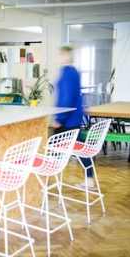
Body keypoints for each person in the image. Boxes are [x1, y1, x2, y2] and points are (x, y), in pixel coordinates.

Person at [52, 44, 95, 190]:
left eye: (60, 54)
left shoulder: (66, 72)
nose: (58, 57)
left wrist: (59, 119)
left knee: (53, 149)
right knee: (81, 149)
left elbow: (66, 97)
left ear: (66, 56)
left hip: (67, 119)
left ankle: (49, 181)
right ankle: (89, 180)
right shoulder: (74, 71)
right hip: (75, 117)